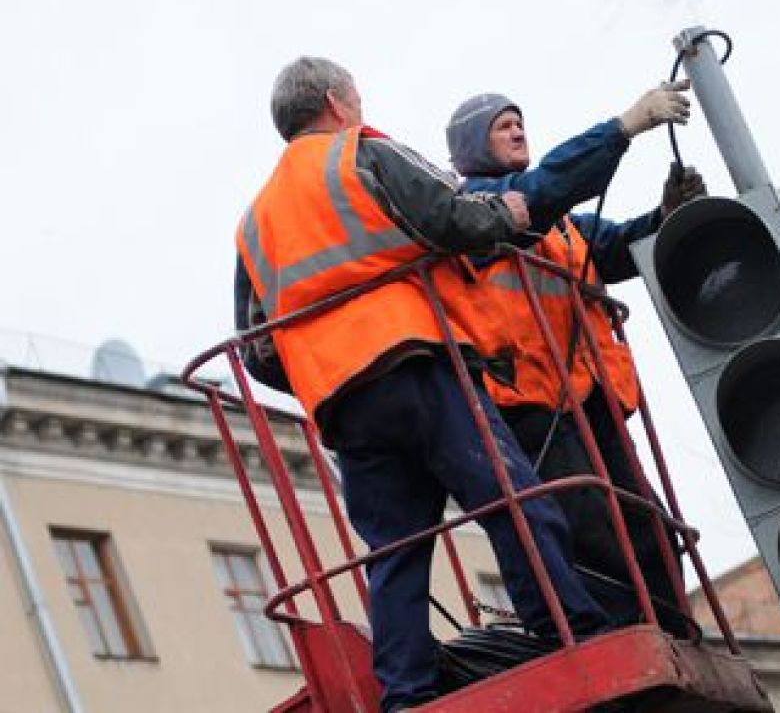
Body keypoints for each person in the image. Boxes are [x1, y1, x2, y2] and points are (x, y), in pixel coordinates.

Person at [233, 57, 620, 712]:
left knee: (395, 547)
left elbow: (256, 346)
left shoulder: (253, 222)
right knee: (514, 499)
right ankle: (571, 630)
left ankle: (405, 694)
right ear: (335, 100)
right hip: (413, 361)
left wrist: (320, 358)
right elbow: (453, 217)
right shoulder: (362, 154)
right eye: (354, 92)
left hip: (341, 399)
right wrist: (513, 210)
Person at [444, 88, 706, 635]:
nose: (519, 132)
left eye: (521, 122)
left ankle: (673, 630)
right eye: (503, 126)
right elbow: (541, 193)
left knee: (646, 523)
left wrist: (664, 217)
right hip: (533, 406)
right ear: (473, 147)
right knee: (588, 531)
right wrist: (622, 127)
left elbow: (615, 244)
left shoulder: (563, 225)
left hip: (590, 398)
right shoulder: (470, 214)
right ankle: (626, 637)